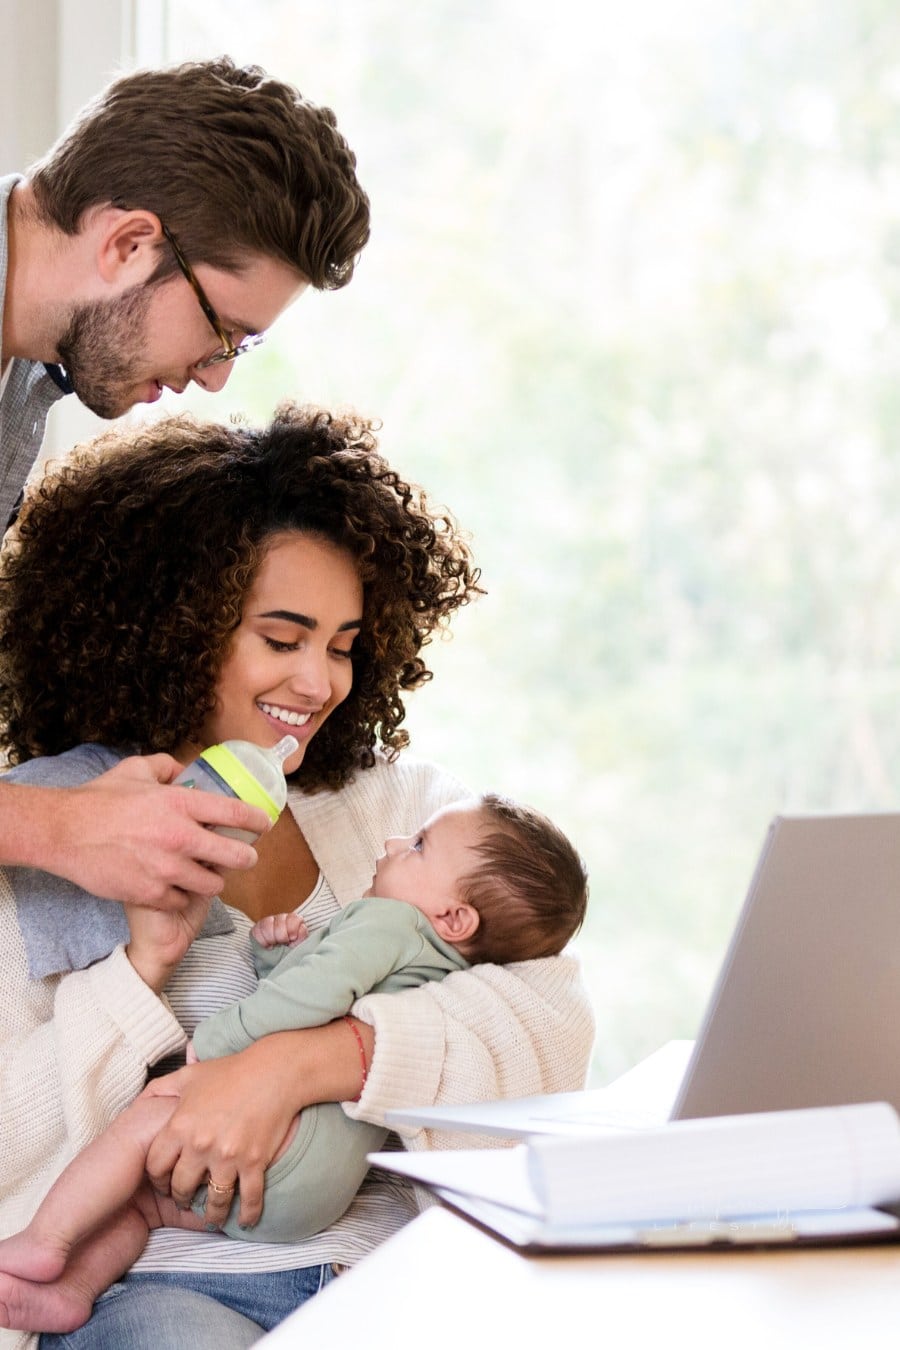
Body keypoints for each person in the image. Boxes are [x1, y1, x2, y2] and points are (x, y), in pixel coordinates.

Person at [0, 405, 595, 1350]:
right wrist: (137, 975)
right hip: (174, 1288)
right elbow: (13, 1144)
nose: (319, 683)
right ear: (168, 626)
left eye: (345, 645)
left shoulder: (400, 813)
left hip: (399, 1269)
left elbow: (552, 1024)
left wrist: (311, 1062)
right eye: (282, 639)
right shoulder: (47, 833)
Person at [0, 793, 589, 1333]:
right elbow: (318, 987)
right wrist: (273, 958)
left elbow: (316, 994)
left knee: (144, 1131)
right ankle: (73, 1290)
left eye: (415, 845)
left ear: (456, 918)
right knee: (148, 1202)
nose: (391, 843)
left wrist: (231, 1043)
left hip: (289, 1167)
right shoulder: (447, 962)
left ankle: (46, 1244)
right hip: (314, 1189)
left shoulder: (390, 919)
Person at [0, 55, 370, 910]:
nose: (214, 381)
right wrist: (58, 827)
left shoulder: (28, 372)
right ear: (130, 244)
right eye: (221, 334)